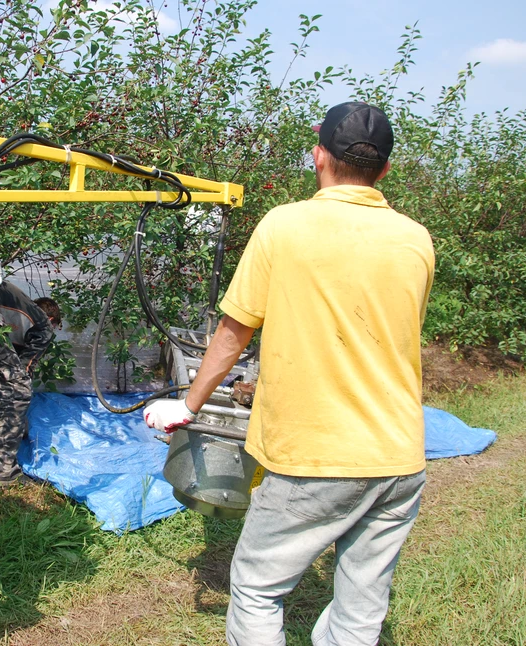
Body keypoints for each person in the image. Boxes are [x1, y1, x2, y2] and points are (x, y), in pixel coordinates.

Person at [144, 101, 435, 645]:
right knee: (361, 603)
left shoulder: (285, 225)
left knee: (257, 589)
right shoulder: (416, 238)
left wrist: (187, 406)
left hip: (317, 454)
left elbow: (233, 332)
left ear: (318, 155)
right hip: (399, 455)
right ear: (385, 170)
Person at [0, 281, 61, 486]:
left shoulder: (18, 314)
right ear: (51, 320)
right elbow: (23, 373)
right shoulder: (43, 327)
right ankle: (5, 472)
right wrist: (20, 416)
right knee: (17, 392)